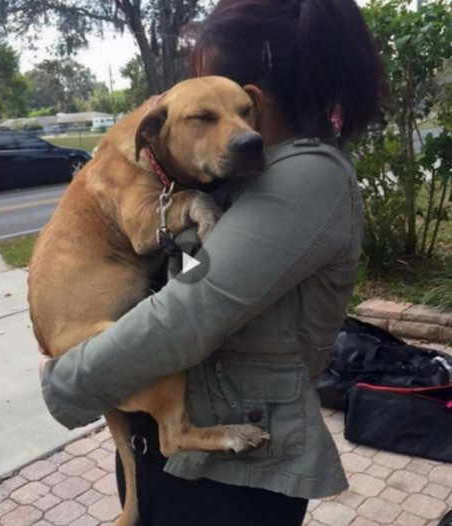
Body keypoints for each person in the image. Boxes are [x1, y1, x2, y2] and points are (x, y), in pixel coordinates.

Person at [39, 0, 385, 524]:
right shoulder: (243, 172)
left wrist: (65, 381)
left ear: (252, 97)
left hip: (229, 478)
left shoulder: (304, 175)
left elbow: (187, 315)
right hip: (179, 451)